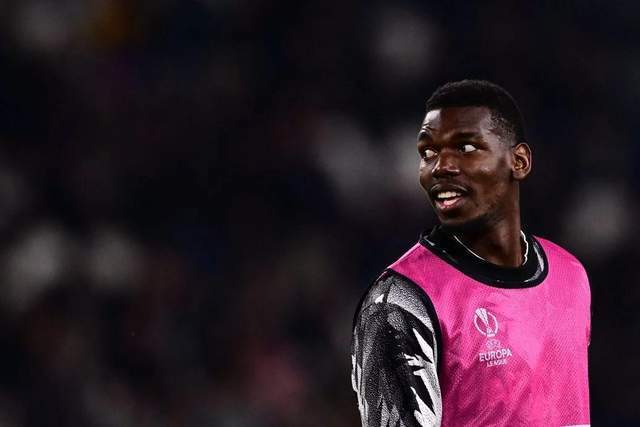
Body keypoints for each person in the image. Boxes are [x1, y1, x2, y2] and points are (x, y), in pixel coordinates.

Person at [350, 80, 590, 426]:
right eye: (428, 153)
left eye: (465, 147)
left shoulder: (570, 274)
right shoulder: (399, 302)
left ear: (519, 161)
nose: (440, 166)